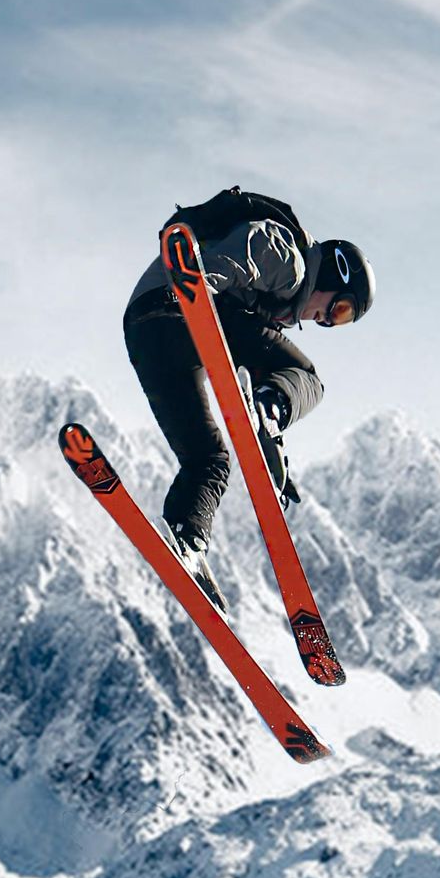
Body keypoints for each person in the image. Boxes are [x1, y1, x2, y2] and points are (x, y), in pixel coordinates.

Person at [123, 190, 373, 610]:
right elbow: (248, 250)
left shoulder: (273, 301)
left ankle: (187, 538)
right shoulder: (291, 259)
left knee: (209, 458)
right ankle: (273, 406)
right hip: (184, 303)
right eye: (341, 308)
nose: (328, 321)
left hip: (147, 332)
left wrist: (271, 458)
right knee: (307, 378)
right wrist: (198, 288)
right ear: (335, 274)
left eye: (340, 321)